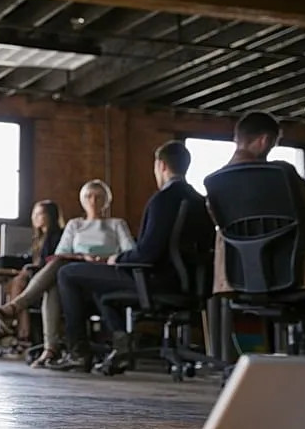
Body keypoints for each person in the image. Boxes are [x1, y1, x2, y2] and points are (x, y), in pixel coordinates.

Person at [56, 141, 212, 372]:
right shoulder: (200, 201)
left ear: (161, 165)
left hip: (156, 280)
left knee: (67, 273)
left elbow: (148, 253)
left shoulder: (162, 200)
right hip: (189, 283)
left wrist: (117, 260)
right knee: (102, 286)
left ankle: (78, 353)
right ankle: (121, 347)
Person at [211, 112, 305, 353]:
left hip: (241, 277)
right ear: (264, 140)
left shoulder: (216, 183)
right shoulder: (281, 174)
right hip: (296, 277)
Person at [0, 180, 134, 368]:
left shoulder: (116, 224)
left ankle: (18, 310)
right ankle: (50, 348)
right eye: (88, 196)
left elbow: (129, 251)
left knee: (59, 273)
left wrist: (103, 258)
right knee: (56, 278)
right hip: (73, 275)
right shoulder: (75, 225)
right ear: (82, 200)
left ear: (107, 201)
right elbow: (59, 253)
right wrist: (82, 256)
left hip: (102, 273)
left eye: (98, 196)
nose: (93, 200)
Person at [0, 200, 63, 354]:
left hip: (51, 281)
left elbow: (50, 263)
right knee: (16, 282)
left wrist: (29, 269)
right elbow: (29, 259)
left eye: (39, 213)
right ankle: (19, 332)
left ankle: (13, 329)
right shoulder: (39, 239)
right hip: (37, 280)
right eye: (33, 213)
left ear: (51, 216)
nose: (34, 217)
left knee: (18, 282)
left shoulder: (57, 236)